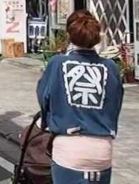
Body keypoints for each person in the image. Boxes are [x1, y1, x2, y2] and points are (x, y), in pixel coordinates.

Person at [37, 10, 124, 184]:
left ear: (69, 36)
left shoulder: (57, 63)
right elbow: (116, 103)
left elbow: (44, 97)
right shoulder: (111, 67)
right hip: (102, 149)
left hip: (69, 147)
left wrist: (47, 121)